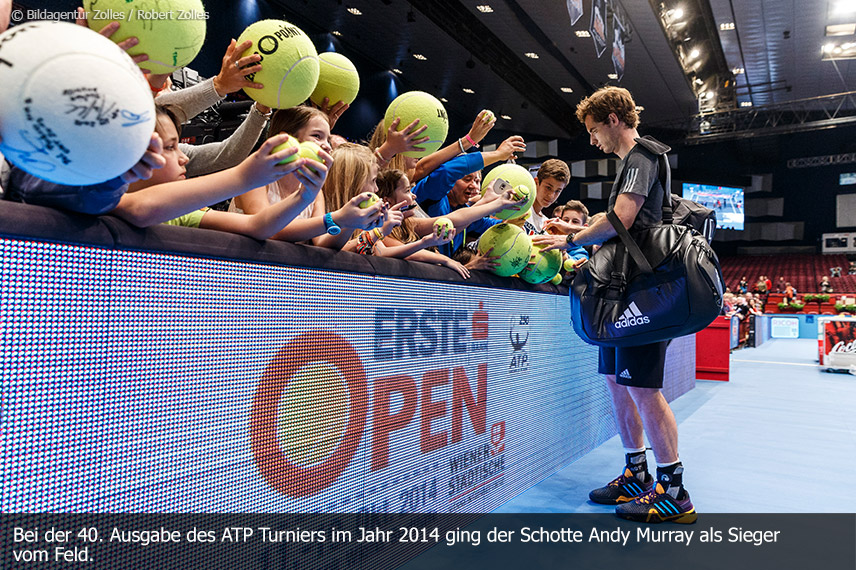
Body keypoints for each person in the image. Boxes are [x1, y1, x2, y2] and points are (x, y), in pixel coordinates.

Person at [533, 86, 696, 524]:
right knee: (618, 383)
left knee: (643, 389)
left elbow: (622, 218)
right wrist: (579, 228)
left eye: (592, 131)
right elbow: (622, 222)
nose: (591, 141)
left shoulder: (641, 157)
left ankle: (674, 492)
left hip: (642, 294)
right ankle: (637, 473)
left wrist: (568, 236)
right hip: (623, 291)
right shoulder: (632, 162)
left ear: (613, 120)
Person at [521, 159, 570, 235]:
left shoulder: (548, 226)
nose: (551, 196)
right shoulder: (517, 208)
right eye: (548, 188)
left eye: (557, 191)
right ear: (536, 182)